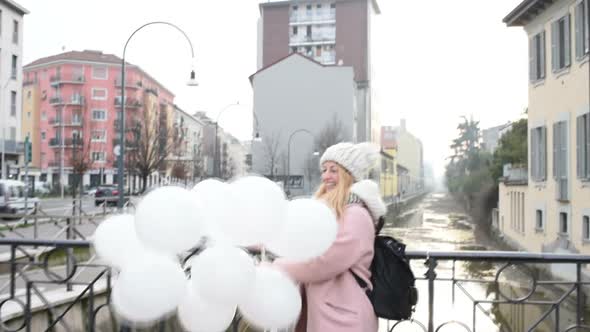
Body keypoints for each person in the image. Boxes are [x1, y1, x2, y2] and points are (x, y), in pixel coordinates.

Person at [272, 142, 386, 332]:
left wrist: (279, 266)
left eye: (334, 170)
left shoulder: (355, 215)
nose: (326, 176)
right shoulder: (336, 212)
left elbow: (324, 262)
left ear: (349, 175)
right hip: (331, 315)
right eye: (324, 170)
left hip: (344, 319)